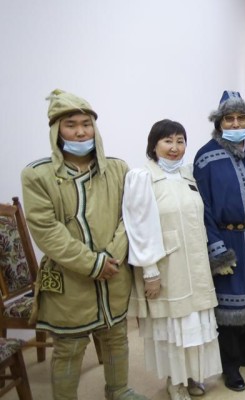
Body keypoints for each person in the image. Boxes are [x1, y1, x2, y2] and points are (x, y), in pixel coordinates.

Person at [20, 89, 147, 400]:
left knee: (116, 336)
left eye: (86, 124)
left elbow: (130, 216)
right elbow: (46, 230)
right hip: (69, 278)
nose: (80, 132)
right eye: (71, 125)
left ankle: (119, 390)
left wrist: (111, 257)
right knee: (69, 347)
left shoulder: (117, 169)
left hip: (114, 273)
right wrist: (92, 263)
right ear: (57, 131)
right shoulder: (37, 175)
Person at [123, 119, 222, 399]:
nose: (175, 147)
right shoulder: (142, 177)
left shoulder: (187, 174)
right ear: (154, 145)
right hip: (168, 268)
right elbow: (138, 227)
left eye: (180, 141)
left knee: (195, 326)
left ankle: (191, 375)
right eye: (168, 141)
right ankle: (174, 381)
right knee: (172, 329)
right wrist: (150, 271)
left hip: (196, 266)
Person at [193, 91, 245, 392]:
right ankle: (230, 367)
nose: (235, 123)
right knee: (230, 310)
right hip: (228, 240)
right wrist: (217, 250)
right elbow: (202, 207)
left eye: (241, 118)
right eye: (229, 119)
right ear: (219, 122)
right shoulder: (206, 157)